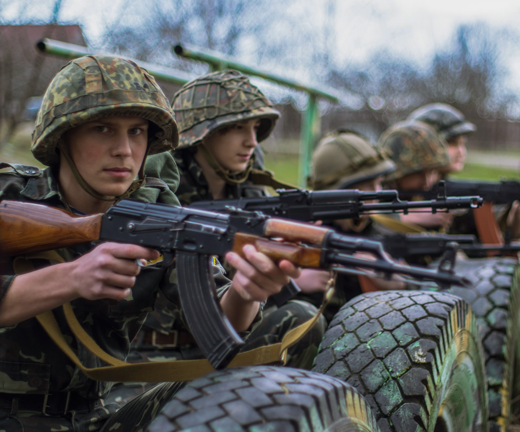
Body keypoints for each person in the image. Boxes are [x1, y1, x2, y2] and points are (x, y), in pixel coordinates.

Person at [0, 56, 298, 431]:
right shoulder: (9, 197)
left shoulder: (157, 212)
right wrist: (73, 276)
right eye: (103, 129)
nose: (125, 149)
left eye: (137, 132)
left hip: (99, 415)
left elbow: (220, 329)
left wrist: (247, 289)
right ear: (62, 136)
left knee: (232, 389)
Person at [123, 70, 325, 377]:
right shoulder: (158, 194)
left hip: (227, 336)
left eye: (256, 127)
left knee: (302, 317)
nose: (252, 141)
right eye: (238, 128)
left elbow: (246, 288)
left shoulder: (248, 192)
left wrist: (290, 272)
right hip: (151, 356)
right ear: (202, 134)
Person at [298, 130, 405, 321]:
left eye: (379, 183)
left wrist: (397, 282)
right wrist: (294, 282)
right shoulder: (302, 234)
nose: (377, 193)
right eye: (367, 186)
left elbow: (421, 290)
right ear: (336, 192)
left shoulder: (379, 230)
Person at [408, 103, 520, 240]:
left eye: (462, 144)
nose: (461, 152)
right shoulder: (403, 186)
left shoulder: (451, 189)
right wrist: (405, 217)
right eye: (452, 143)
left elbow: (496, 238)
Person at [376, 119, 453, 230]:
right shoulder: (374, 195)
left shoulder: (424, 195)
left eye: (433, 172)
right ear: (395, 174)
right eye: (418, 174)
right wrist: (404, 217)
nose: (427, 183)